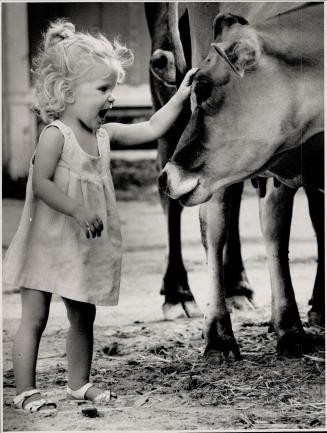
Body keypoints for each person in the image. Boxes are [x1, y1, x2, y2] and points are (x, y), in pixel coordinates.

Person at [3, 19, 197, 413]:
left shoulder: (105, 135)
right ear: (67, 91)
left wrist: (181, 95)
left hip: (80, 246)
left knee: (82, 314)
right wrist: (76, 207)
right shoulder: (56, 134)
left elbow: (151, 127)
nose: (111, 99)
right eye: (103, 89)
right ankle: (24, 389)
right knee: (35, 318)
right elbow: (41, 183)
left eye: (114, 89)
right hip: (46, 241)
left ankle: (79, 383)